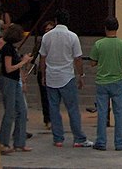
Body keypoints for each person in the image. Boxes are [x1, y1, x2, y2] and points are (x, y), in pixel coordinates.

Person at [38, 9, 93, 148]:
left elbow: (42, 58)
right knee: (73, 108)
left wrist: (43, 74)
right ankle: (79, 138)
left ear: (56, 21)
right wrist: (81, 75)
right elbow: (78, 59)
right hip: (67, 76)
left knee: (54, 108)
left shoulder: (47, 37)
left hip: (51, 76)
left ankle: (58, 138)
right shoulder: (72, 36)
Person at [89, 16, 122, 152]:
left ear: (105, 28)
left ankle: (101, 141)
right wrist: (119, 67)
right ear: (117, 28)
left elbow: (92, 62)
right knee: (119, 113)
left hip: (102, 81)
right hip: (117, 81)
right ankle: (119, 143)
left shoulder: (99, 44)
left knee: (102, 112)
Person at [0, 23, 33, 155]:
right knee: (10, 112)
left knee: (22, 111)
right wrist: (23, 62)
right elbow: (8, 68)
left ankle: (19, 142)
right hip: (9, 81)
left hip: (14, 81)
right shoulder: (7, 49)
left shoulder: (12, 48)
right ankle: (3, 142)